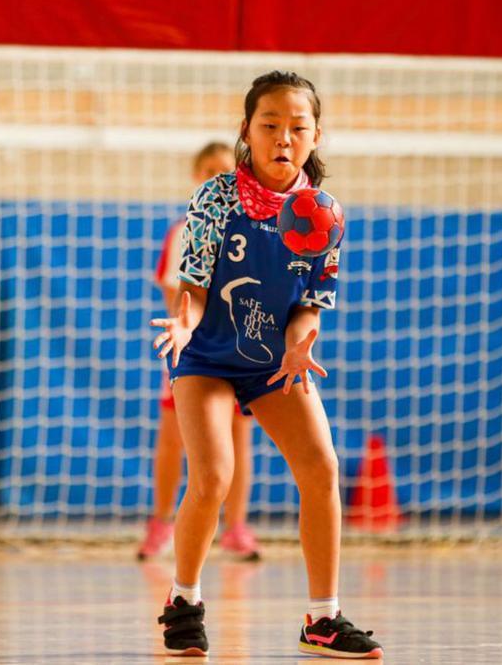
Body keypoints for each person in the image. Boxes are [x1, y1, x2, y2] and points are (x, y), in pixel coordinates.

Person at [149, 70, 382, 659]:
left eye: (296, 127)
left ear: (316, 136)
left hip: (271, 360)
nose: (283, 137)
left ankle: (323, 619)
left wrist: (304, 340)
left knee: (321, 467)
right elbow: (194, 284)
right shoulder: (216, 196)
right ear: (246, 132)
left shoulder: (324, 215)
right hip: (205, 354)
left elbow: (310, 303)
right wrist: (182, 321)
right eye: (269, 125)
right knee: (212, 479)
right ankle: (183, 601)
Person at [139, 142, 263, 563]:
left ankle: (236, 528)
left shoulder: (252, 231)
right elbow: (176, 294)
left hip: (240, 350)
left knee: (239, 438)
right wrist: (194, 330)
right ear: (197, 177)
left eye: (225, 171)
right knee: (174, 438)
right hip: (191, 349)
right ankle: (160, 524)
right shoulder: (183, 231)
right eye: (209, 170)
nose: (217, 177)